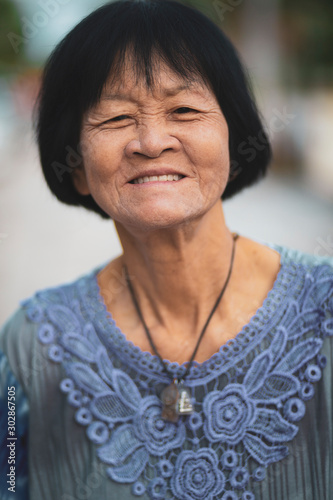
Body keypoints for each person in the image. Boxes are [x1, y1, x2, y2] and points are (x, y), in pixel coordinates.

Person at [1, 1, 332, 499]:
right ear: (76, 168)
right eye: (115, 118)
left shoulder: (324, 311)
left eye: (183, 109)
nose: (151, 142)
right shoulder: (28, 350)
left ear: (233, 137)